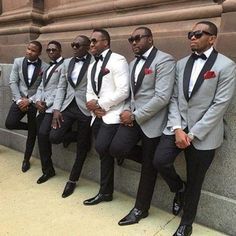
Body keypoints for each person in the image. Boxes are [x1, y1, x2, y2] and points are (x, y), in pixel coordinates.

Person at [153, 21, 236, 236]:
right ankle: (177, 189)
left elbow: (220, 106)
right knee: (160, 160)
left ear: (212, 38)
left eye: (198, 34)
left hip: (204, 135)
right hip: (178, 127)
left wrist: (192, 134)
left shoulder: (226, 66)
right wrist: (178, 128)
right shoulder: (180, 64)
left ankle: (186, 224)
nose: (193, 37)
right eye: (191, 33)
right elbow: (173, 98)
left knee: (195, 181)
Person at [109, 26, 175, 225]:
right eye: (131, 39)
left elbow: (162, 97)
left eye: (138, 38)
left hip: (153, 122)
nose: (134, 42)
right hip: (134, 118)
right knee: (116, 148)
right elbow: (132, 93)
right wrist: (128, 111)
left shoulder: (165, 60)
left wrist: (135, 116)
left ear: (150, 39)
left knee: (148, 168)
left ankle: (140, 209)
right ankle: (159, 169)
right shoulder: (132, 63)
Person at [83, 28, 129, 205]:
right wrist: (93, 106)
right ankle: (106, 192)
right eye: (91, 41)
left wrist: (101, 105)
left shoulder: (118, 60)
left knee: (102, 147)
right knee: (103, 154)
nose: (91, 44)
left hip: (113, 115)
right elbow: (89, 90)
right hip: (97, 116)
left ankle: (104, 190)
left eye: (95, 41)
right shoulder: (92, 64)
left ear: (106, 43)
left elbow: (124, 91)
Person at [50, 35, 92, 198]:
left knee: (82, 148)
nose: (74, 47)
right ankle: (80, 138)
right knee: (54, 136)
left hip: (85, 109)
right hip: (67, 106)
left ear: (87, 47)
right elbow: (61, 87)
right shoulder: (67, 63)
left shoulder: (95, 63)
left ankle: (72, 180)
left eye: (78, 45)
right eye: (73, 44)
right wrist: (56, 109)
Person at [5, 41, 48, 172]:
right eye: (28, 49)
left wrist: (29, 101)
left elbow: (43, 88)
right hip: (19, 100)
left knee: (31, 136)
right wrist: (19, 101)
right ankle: (31, 128)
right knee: (10, 123)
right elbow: (13, 81)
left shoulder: (45, 67)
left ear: (39, 53)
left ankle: (26, 160)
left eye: (33, 50)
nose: (29, 52)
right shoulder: (18, 62)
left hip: (33, 102)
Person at [35, 40, 65, 184]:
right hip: (42, 106)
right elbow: (42, 86)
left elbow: (61, 88)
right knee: (40, 136)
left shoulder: (64, 66)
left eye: (54, 50)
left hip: (53, 107)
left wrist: (47, 104)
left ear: (60, 51)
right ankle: (48, 169)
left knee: (43, 134)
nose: (51, 52)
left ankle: (47, 170)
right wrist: (38, 101)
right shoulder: (47, 68)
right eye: (49, 50)